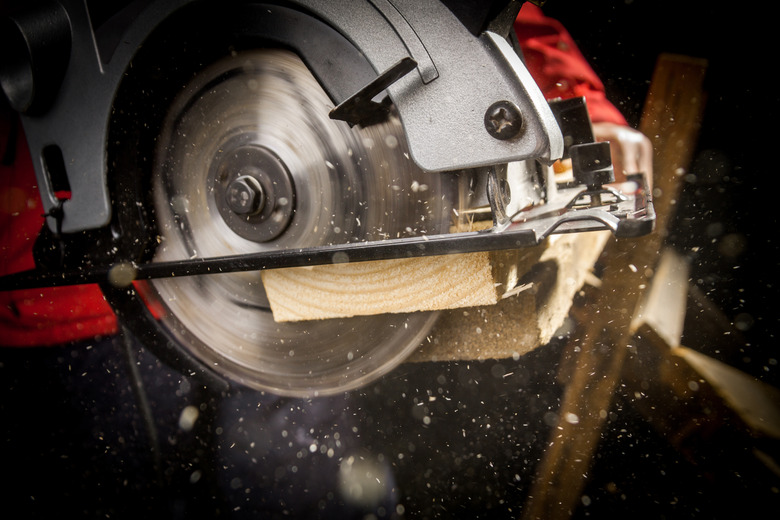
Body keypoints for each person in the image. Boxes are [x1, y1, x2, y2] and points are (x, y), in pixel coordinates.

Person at [0, 2, 653, 517]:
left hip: (297, 269)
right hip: (64, 305)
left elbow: (467, 15)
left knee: (304, 486)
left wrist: (578, 106)